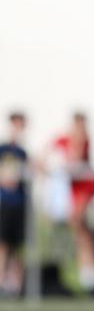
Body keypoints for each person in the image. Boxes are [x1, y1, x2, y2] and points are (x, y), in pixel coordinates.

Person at [50, 112, 94, 292]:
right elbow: (48, 155)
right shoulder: (63, 139)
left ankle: (89, 270)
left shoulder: (84, 140)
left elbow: (76, 157)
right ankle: (78, 267)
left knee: (80, 225)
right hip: (68, 188)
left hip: (83, 186)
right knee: (73, 229)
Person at [0, 112, 28, 296]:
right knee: (2, 244)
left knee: (17, 246)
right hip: (4, 203)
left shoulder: (23, 153)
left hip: (19, 204)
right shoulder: (3, 149)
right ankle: (2, 281)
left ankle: (18, 286)